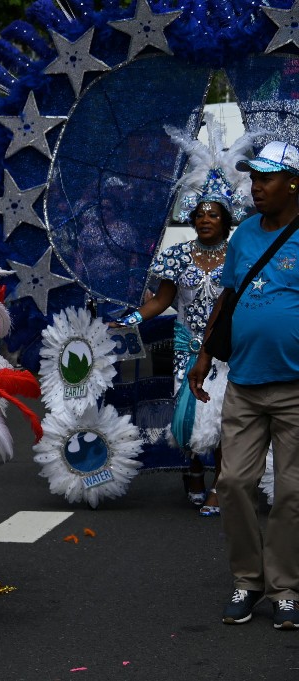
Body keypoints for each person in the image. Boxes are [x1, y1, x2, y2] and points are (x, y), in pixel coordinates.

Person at [114, 120, 253, 517]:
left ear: (227, 220)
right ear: (192, 220)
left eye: (214, 215)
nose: (206, 220)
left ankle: (220, 487)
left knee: (227, 418)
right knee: (188, 418)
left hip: (228, 348)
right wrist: (130, 319)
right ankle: (193, 470)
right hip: (186, 345)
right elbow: (161, 301)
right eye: (200, 215)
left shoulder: (241, 255)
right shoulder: (177, 256)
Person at [190, 140, 299, 630]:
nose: (256, 187)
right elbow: (229, 297)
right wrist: (205, 351)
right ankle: (248, 580)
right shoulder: (244, 236)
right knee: (232, 483)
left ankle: (286, 589)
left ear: (293, 183)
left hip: (295, 387)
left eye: (267, 178)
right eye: (253, 178)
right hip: (245, 383)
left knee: (292, 493)